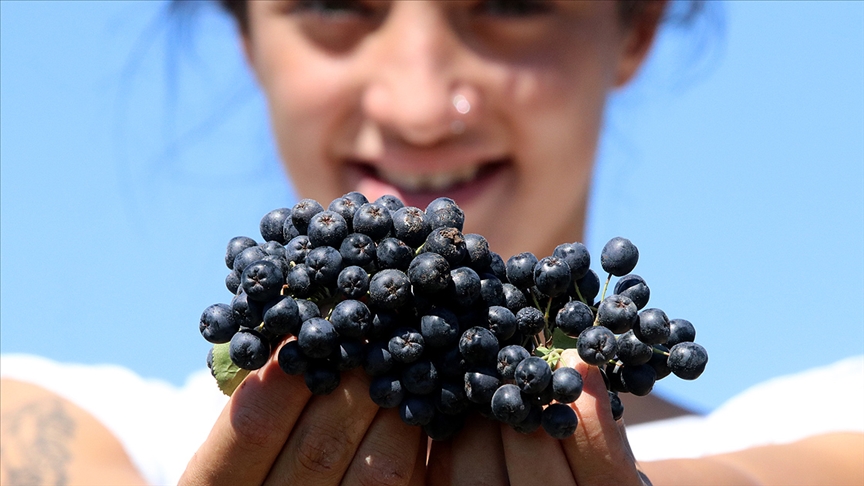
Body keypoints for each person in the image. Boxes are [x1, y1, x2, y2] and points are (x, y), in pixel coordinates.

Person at [2, 1, 862, 485]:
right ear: (247, 36)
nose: (418, 106)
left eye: (513, 4)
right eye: (335, 4)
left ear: (634, 28)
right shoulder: (93, 426)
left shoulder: (826, 425)